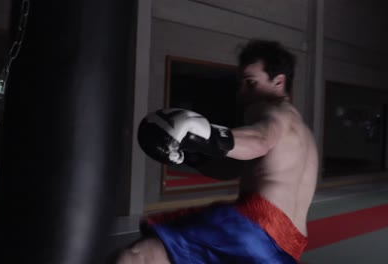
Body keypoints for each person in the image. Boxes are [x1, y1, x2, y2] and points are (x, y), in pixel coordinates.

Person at [116, 39, 318, 264]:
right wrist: (190, 155)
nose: (243, 91)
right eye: (241, 82)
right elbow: (232, 168)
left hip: (255, 225)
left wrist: (207, 134)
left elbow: (260, 140)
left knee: (136, 257)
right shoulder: (302, 133)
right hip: (289, 248)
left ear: (279, 81)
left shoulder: (275, 111)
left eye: (250, 83)